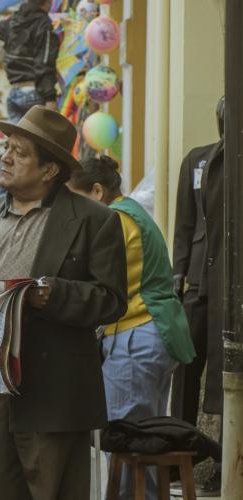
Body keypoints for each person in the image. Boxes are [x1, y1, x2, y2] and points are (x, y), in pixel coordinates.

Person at [0, 105, 127, 499]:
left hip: (52, 394)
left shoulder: (94, 220)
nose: (6, 157)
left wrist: (56, 294)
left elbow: (112, 300)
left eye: (19, 152)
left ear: (49, 169)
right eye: (7, 148)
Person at [67, 155, 196, 500]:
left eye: (75, 198)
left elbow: (107, 284)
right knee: (145, 439)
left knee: (127, 438)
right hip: (152, 334)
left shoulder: (116, 219)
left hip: (136, 334)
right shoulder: (131, 212)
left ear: (96, 191)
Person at [170, 97, 226, 493]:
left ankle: (226, 460)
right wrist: (178, 272)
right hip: (196, 281)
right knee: (185, 369)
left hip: (229, 283)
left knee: (228, 374)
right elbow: (184, 222)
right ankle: (179, 453)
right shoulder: (197, 159)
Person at [0, 0, 60, 121]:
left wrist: (13, 20)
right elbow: (45, 62)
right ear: (47, 2)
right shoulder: (43, 23)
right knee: (38, 133)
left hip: (14, 92)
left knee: (17, 134)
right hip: (34, 92)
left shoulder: (15, 20)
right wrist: (50, 98)